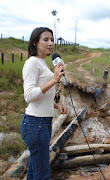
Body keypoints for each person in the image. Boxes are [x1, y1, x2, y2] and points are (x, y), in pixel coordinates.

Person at [20, 27, 68, 180]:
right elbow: (28, 95)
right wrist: (54, 80)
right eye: (45, 39)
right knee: (42, 174)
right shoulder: (32, 63)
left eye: (52, 40)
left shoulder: (42, 63)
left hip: (43, 123)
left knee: (35, 171)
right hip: (35, 124)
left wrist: (57, 106)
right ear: (35, 43)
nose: (50, 43)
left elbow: (43, 95)